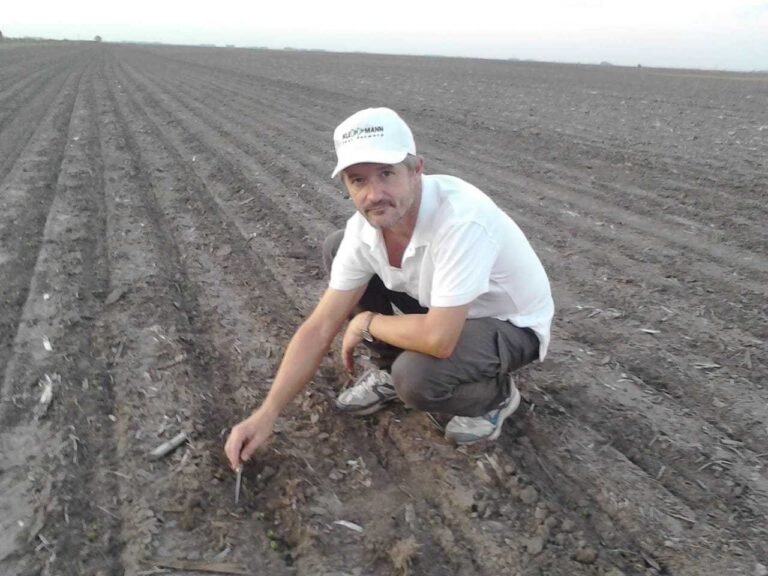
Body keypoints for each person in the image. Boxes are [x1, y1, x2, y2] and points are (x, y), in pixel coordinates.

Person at [224, 107, 554, 470]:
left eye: (386, 174)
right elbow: (319, 326)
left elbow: (439, 339)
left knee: (416, 378)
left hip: (507, 323)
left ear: (416, 170)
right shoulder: (364, 232)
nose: (374, 194)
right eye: (358, 180)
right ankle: (386, 369)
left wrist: (365, 322)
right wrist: (267, 413)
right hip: (440, 305)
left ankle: (494, 397)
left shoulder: (462, 220)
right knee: (337, 247)